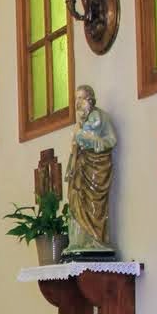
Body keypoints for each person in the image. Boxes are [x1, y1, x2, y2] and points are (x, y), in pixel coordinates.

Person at [64, 85, 117, 258]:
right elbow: (75, 146)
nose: (78, 102)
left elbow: (112, 140)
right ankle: (80, 241)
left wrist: (97, 142)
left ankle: (96, 240)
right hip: (81, 165)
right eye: (76, 99)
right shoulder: (79, 123)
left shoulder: (102, 117)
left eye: (81, 98)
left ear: (90, 99)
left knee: (95, 203)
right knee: (77, 197)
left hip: (97, 166)